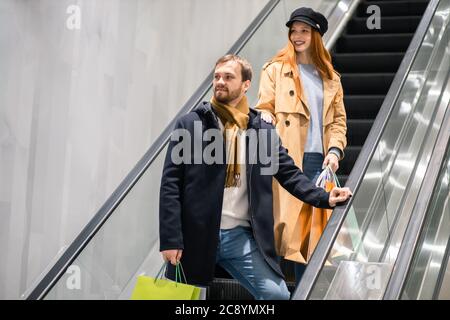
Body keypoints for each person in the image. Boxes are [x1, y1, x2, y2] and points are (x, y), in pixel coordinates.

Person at [159, 54, 352, 300]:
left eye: (228, 77)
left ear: (246, 84)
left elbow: (289, 174)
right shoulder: (191, 125)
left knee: (278, 296)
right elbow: (170, 185)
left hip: (240, 237)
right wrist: (170, 238)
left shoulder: (261, 130)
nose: (220, 82)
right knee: (184, 301)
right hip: (195, 235)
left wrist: (325, 197)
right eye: (217, 77)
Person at [255, 7, 348, 285]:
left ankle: (303, 291)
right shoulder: (275, 69)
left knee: (309, 240)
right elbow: (263, 108)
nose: (297, 36)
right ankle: (276, 292)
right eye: (294, 31)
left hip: (318, 164)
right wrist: (264, 113)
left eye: (304, 31)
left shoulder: (331, 78)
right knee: (285, 235)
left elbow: (338, 123)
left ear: (316, 35)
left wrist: (334, 151)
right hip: (286, 160)